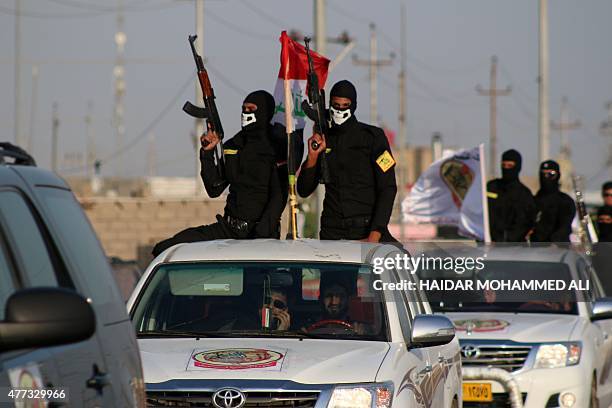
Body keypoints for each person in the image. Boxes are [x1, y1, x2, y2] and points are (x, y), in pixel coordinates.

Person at [152, 90, 298, 256]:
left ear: (264, 112)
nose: (246, 113)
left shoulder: (276, 147)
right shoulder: (234, 145)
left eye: (251, 109)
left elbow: (278, 196)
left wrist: (262, 236)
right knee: (166, 249)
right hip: (228, 229)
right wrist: (207, 153)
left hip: (261, 235)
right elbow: (214, 189)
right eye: (244, 109)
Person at [297, 80, 398, 244]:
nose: (339, 110)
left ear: (353, 105)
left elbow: (388, 188)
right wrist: (313, 157)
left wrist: (375, 234)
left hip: (366, 231)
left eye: (345, 105)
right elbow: (303, 190)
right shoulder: (324, 139)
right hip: (332, 234)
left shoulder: (373, 138)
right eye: (336, 105)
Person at [487, 149, 536, 242]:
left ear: (517, 167)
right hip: (488, 244)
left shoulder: (524, 194)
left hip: (514, 248)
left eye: (510, 166)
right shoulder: (491, 187)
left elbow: (525, 223)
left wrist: (505, 238)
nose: (506, 169)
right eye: (503, 165)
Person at [530, 160, 576, 243]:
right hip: (534, 250)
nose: (546, 177)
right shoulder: (532, 201)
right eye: (543, 174)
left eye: (550, 174)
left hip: (557, 250)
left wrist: (554, 241)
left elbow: (564, 227)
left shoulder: (565, 202)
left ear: (557, 176)